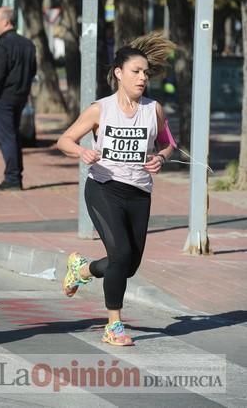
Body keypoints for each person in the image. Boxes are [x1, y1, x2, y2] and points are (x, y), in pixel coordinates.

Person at [56, 32, 176, 346]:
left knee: (129, 266)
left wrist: (160, 158)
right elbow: (64, 140)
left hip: (139, 192)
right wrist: (82, 152)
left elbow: (168, 145)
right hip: (104, 188)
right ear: (119, 73)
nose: (142, 78)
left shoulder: (154, 109)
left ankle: (82, 270)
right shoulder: (101, 109)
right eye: (136, 71)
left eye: (146, 73)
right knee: (120, 255)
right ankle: (114, 326)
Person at [0, 6, 37, 191]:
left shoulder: (3, 45)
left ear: (6, 22)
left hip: (3, 98)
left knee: (7, 137)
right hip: (20, 96)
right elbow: (33, 71)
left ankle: (13, 178)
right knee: (13, 136)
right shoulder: (28, 44)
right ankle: (15, 175)